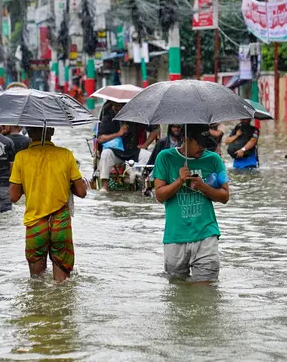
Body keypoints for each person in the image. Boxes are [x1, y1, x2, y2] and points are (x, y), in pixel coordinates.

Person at [152, 124, 230, 283]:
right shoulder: (165, 157)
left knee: (206, 294)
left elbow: (225, 196)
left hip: (206, 234)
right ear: (187, 139)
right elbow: (160, 196)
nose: (203, 147)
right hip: (175, 236)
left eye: (205, 143)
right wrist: (180, 181)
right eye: (199, 143)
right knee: (178, 292)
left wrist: (203, 187)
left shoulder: (213, 159)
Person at [9, 127, 87, 281]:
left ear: (29, 132)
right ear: (51, 131)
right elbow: (82, 192)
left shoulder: (21, 157)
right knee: (62, 283)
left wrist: (30, 183)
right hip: (61, 223)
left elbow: (13, 196)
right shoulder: (65, 154)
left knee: (37, 283)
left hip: (35, 224)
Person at [97, 102, 154, 191]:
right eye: (114, 105)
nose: (115, 108)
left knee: (149, 156)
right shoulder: (108, 117)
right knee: (105, 153)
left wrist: (145, 144)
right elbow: (100, 139)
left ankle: (146, 183)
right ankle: (104, 186)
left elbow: (155, 130)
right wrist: (118, 133)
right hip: (115, 152)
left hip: (133, 151)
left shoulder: (135, 117)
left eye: (118, 106)